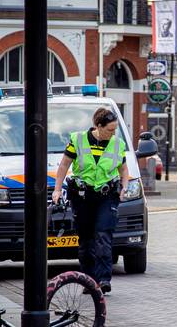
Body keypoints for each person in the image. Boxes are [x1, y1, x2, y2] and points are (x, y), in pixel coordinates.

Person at [52, 108, 129, 294]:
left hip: (106, 196)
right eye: (110, 129)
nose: (113, 133)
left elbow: (123, 169)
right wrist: (56, 189)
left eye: (115, 129)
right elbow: (64, 165)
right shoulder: (78, 140)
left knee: (103, 235)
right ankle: (89, 280)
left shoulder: (117, 144)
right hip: (83, 197)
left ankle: (103, 279)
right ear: (98, 126)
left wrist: (124, 186)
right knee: (86, 240)